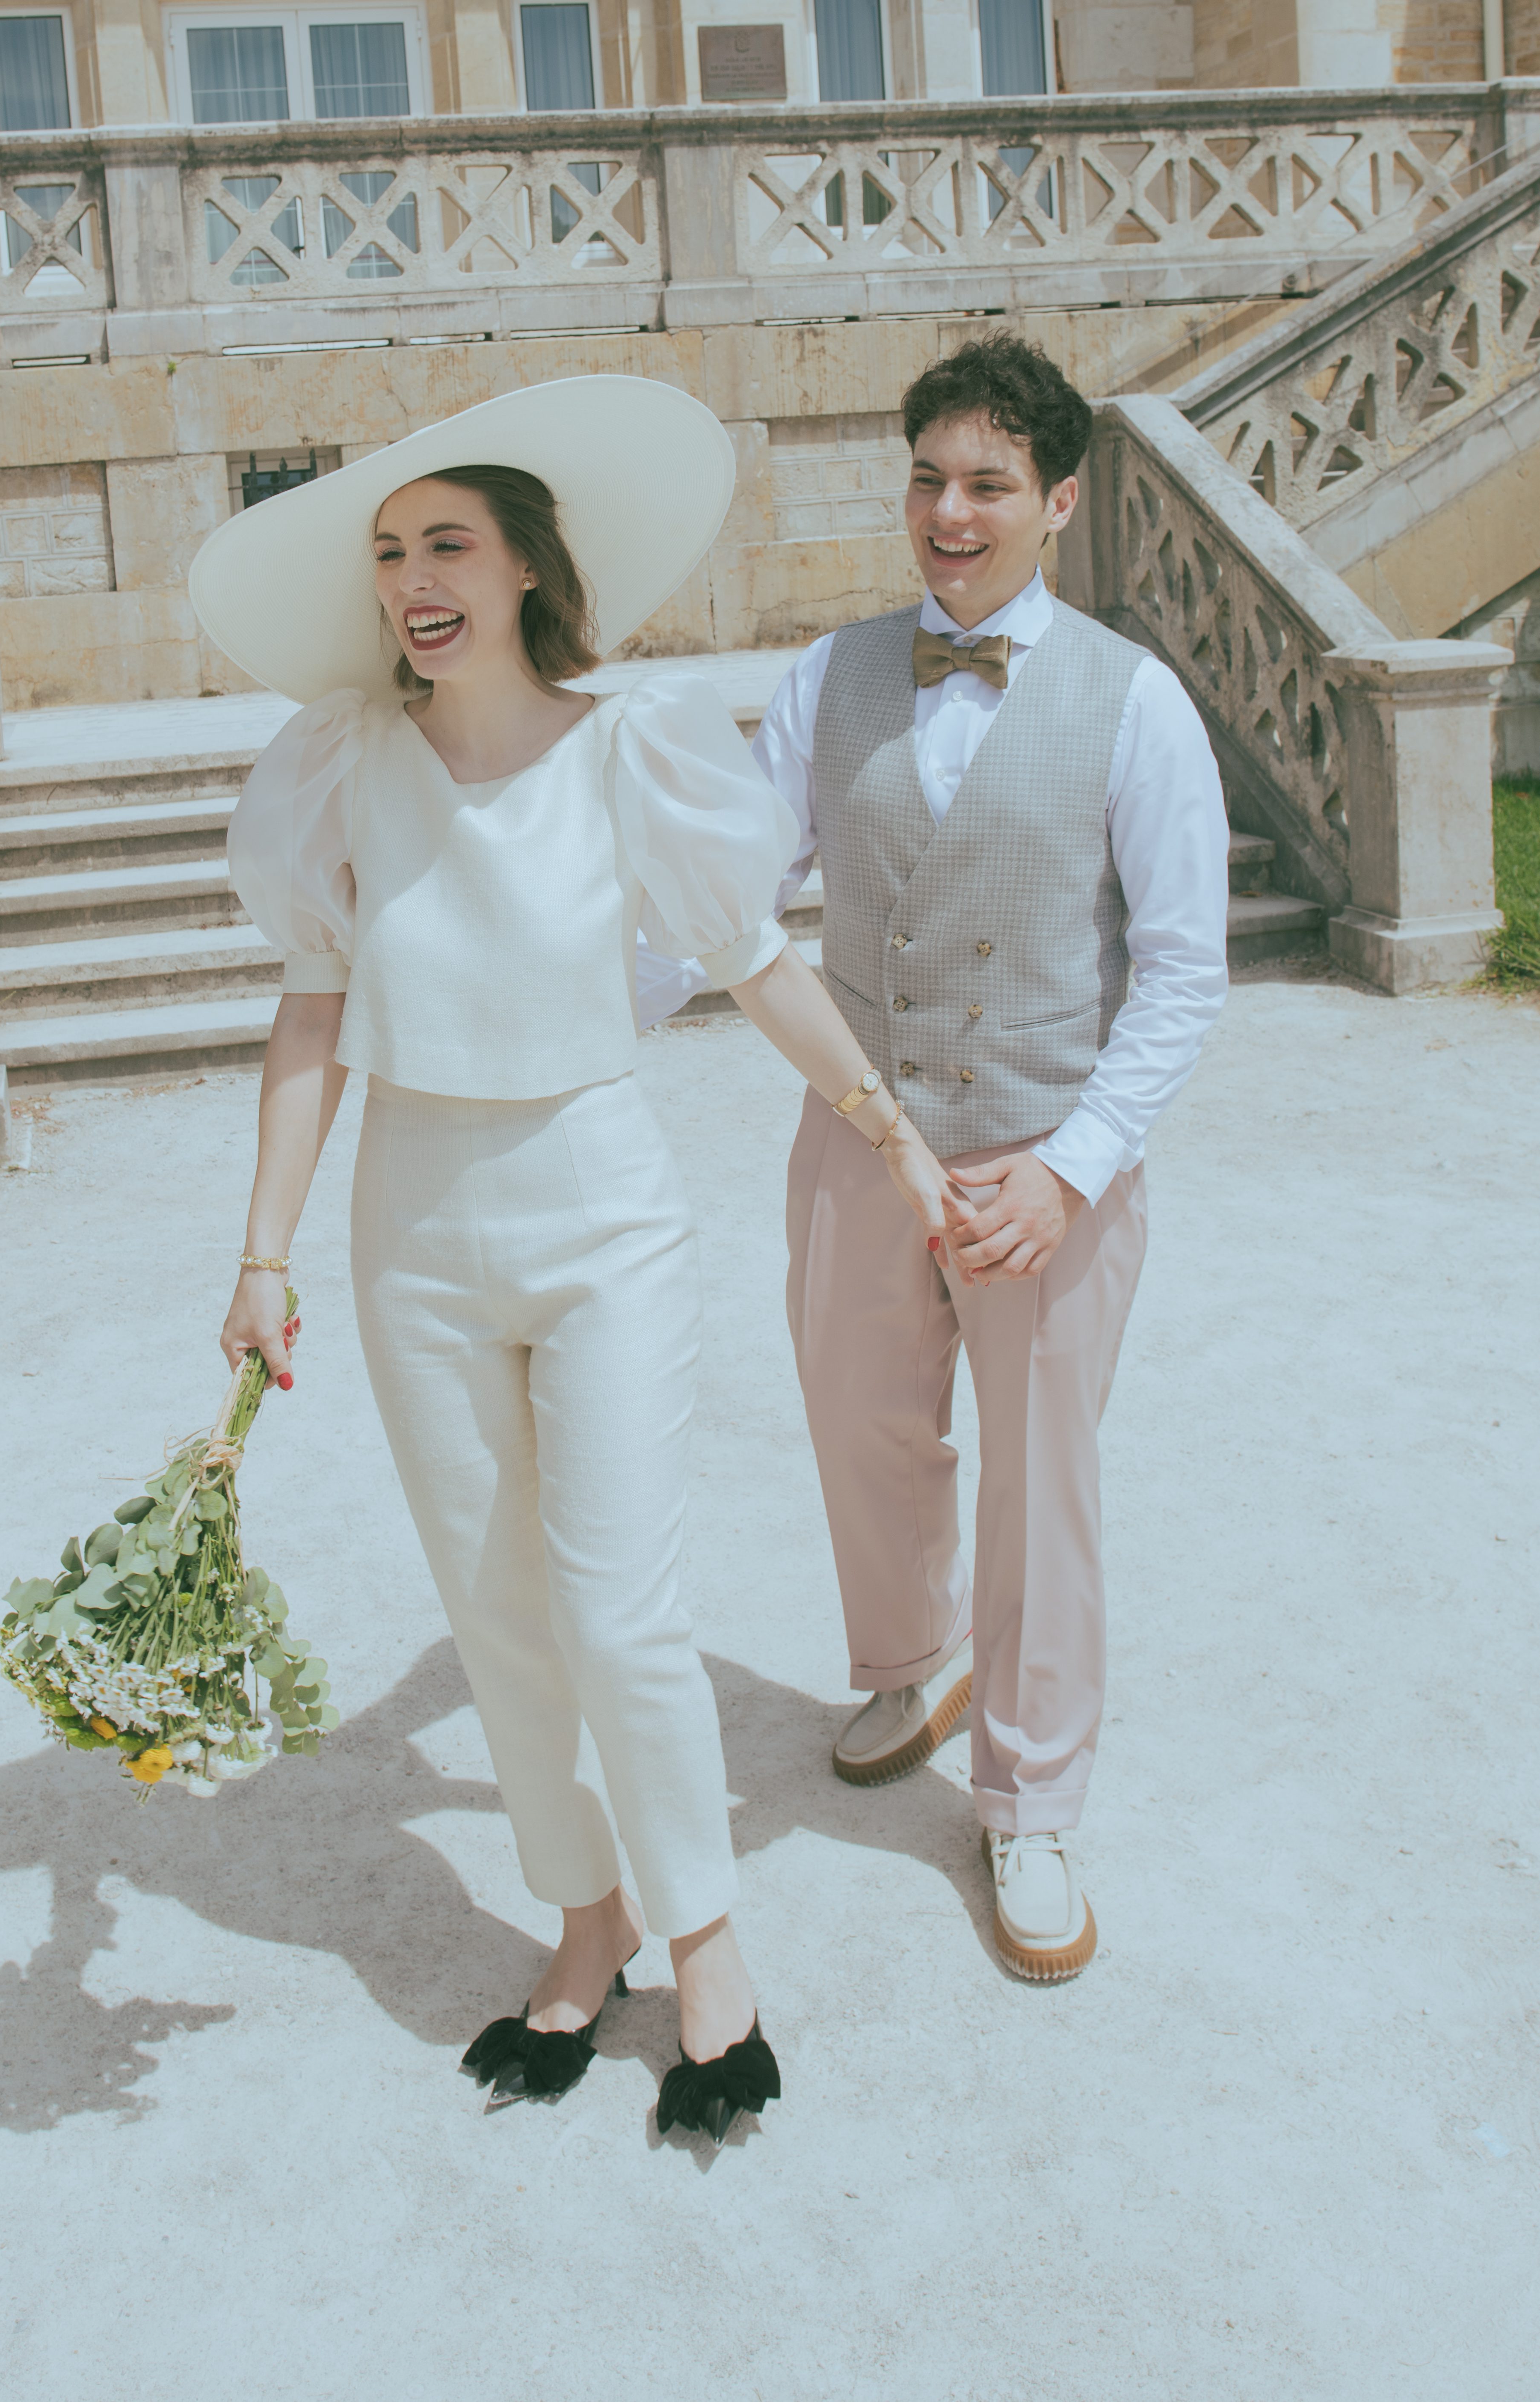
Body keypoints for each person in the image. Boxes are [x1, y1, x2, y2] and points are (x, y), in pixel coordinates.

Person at [190, 375, 961, 2141]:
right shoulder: (342, 762)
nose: (411, 578)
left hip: (598, 1213)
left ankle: (705, 1940)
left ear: (528, 565)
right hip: (413, 1228)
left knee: (621, 1613)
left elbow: (754, 960)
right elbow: (311, 1010)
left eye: (445, 540)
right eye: (388, 551)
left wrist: (890, 1130)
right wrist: (262, 1253)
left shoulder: (632, 745)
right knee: (500, 1612)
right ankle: (582, 1915)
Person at [639, 336, 1229, 1982]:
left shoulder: (1137, 700)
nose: (948, 513)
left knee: (1045, 1483)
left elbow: (1183, 966)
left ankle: (1030, 1803)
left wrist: (1077, 1167)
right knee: (863, 1427)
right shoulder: (832, 680)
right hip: (858, 1142)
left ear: (1056, 499)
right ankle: (907, 1663)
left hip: (1049, 1155)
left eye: (984, 484)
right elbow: (724, 906)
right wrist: (570, 1003)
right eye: (925, 478)